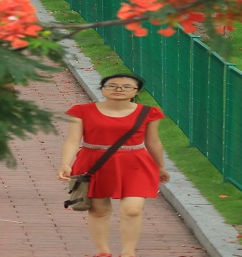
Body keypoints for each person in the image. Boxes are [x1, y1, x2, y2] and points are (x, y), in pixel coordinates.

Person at [58, 73, 169, 257]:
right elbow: (72, 140)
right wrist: (65, 163)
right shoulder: (81, 111)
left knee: (132, 209)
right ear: (102, 89)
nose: (119, 89)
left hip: (135, 163)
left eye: (126, 86)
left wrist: (161, 166)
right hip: (93, 162)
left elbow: (153, 142)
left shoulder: (148, 113)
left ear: (137, 91)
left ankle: (128, 252)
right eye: (112, 85)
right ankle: (102, 251)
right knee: (99, 210)